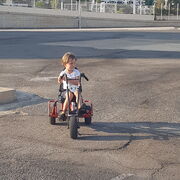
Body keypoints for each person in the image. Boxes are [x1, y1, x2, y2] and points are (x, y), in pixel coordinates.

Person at [58, 52, 83, 120]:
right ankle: (63, 112)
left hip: (75, 88)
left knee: (78, 94)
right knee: (69, 96)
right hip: (66, 90)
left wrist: (68, 80)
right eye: (71, 63)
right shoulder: (63, 73)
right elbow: (59, 80)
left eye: (74, 63)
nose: (73, 65)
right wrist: (61, 79)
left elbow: (77, 82)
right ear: (65, 64)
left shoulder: (76, 72)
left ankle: (80, 108)